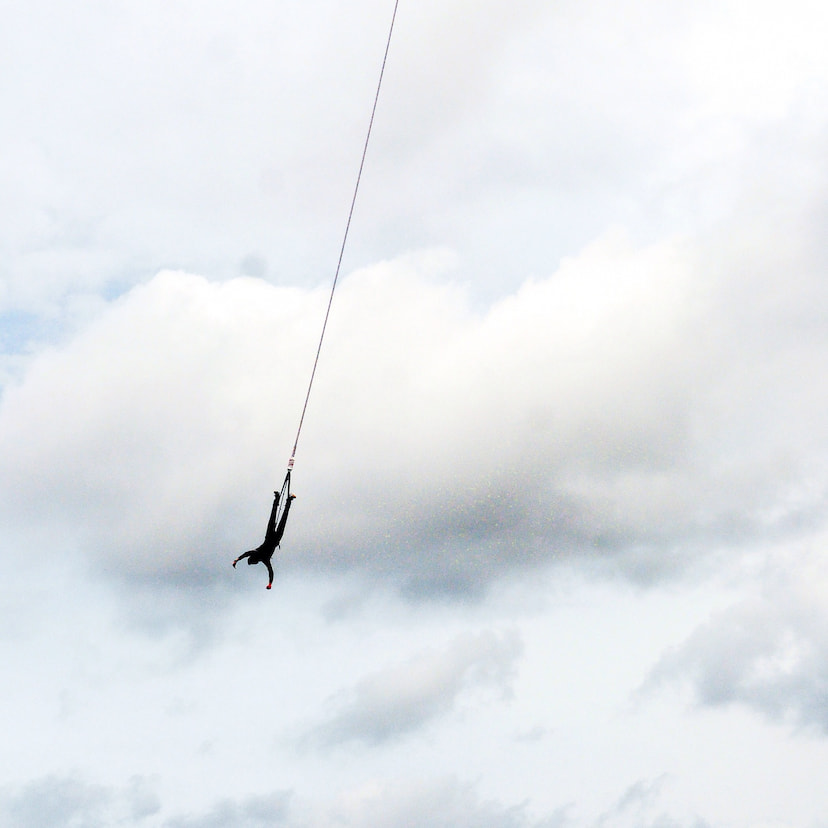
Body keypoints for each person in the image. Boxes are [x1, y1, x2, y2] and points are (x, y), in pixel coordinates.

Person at [233, 490, 296, 589]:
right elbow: (248, 554)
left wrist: (237, 560)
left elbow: (248, 554)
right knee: (277, 516)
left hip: (273, 537)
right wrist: (237, 560)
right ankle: (284, 499)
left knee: (280, 516)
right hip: (274, 537)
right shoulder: (262, 557)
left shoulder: (260, 556)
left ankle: (284, 499)